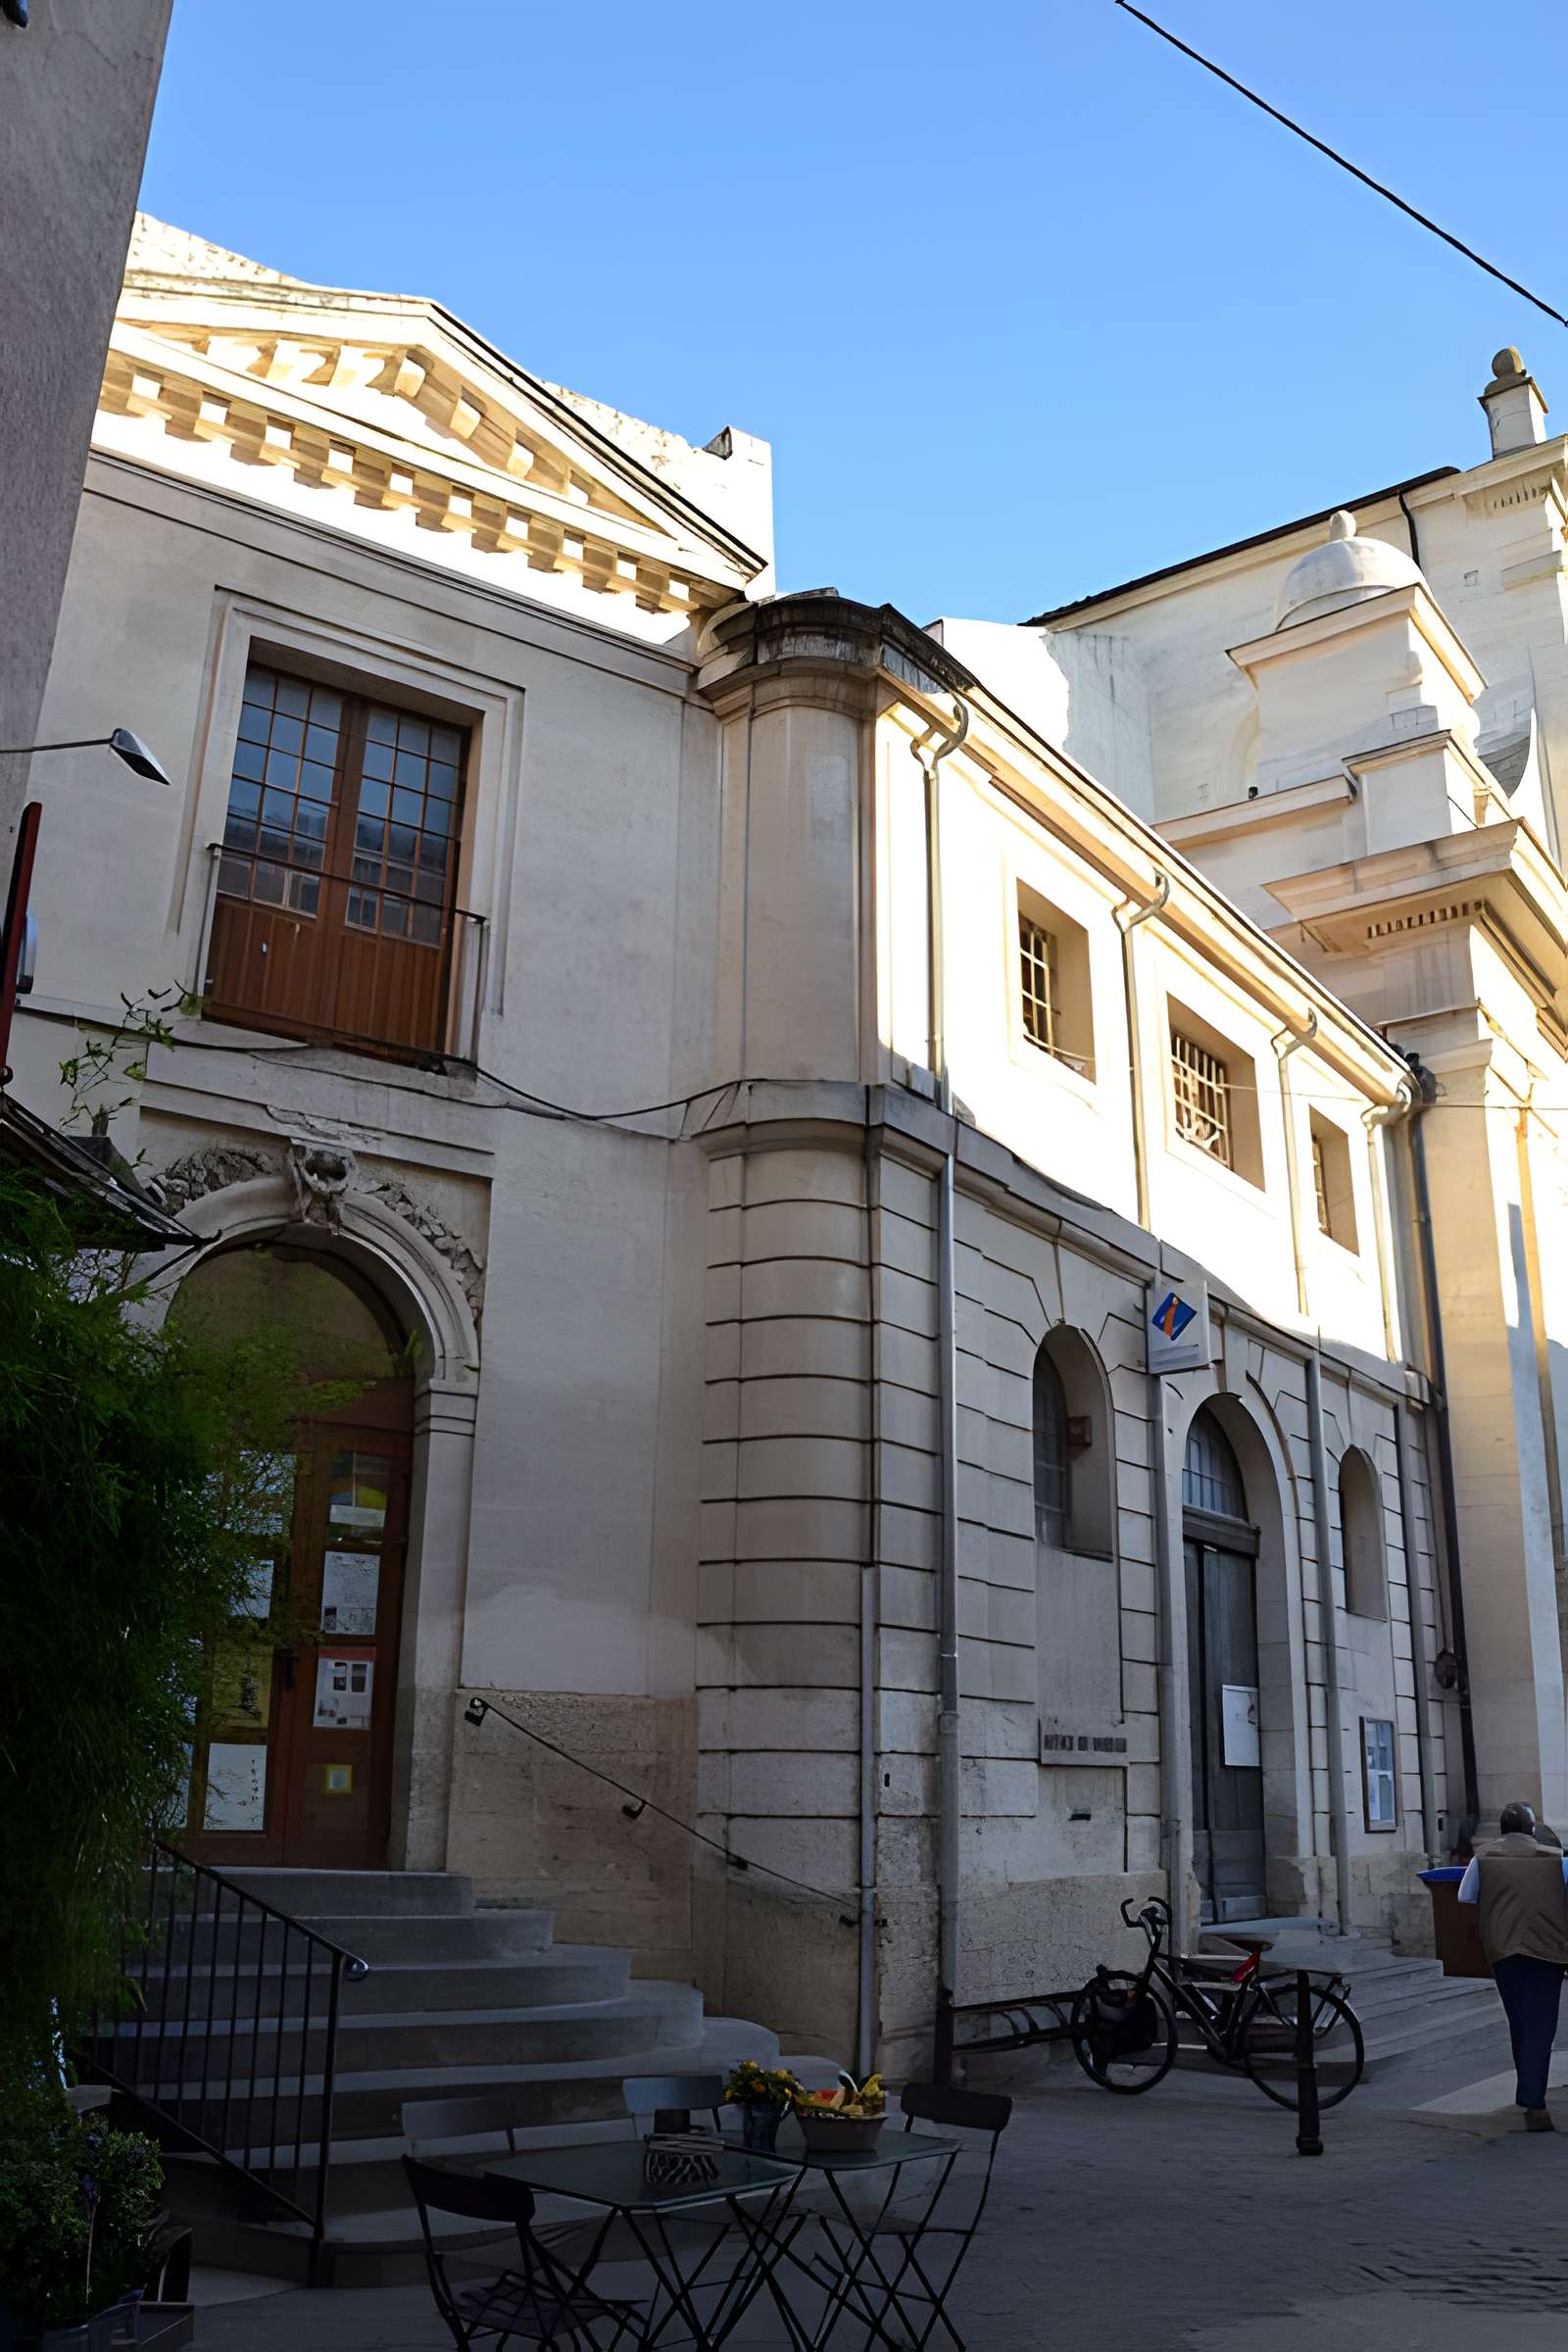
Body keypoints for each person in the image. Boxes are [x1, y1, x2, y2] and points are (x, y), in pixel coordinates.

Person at [1457, 1800, 1568, 2131]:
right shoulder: (1555, 1860)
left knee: (1519, 2021)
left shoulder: (1483, 1859)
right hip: (1549, 1949)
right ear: (1532, 1830)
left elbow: (1466, 1896)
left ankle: (1530, 2093)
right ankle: (1534, 2101)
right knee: (1541, 2025)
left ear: (1503, 1829)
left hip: (1503, 1949)